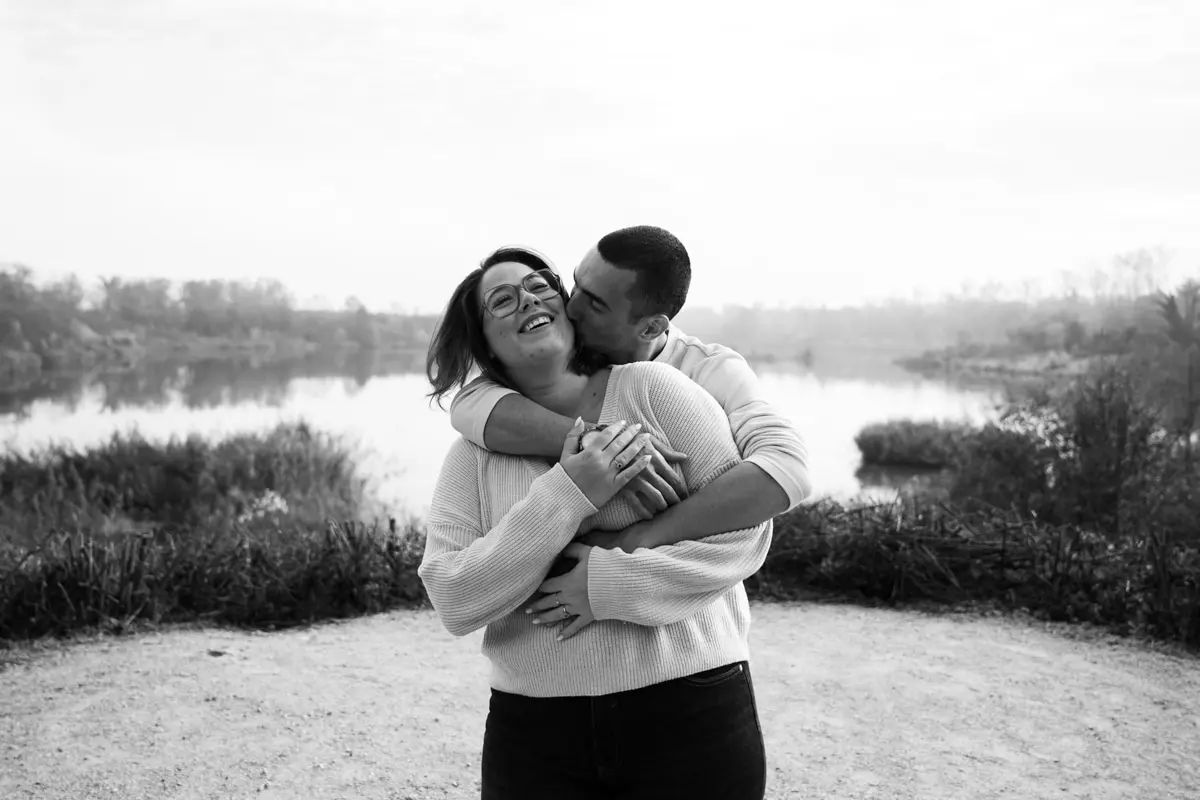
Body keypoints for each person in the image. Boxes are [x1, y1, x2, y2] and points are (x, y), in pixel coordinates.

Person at [419, 246, 772, 799]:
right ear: (484, 341)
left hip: (692, 705)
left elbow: (746, 534)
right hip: (534, 732)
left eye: (540, 287)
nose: (528, 300)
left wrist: (607, 584)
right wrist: (571, 491)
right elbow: (453, 596)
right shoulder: (474, 454)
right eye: (502, 300)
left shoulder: (658, 390)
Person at [450, 226, 811, 557]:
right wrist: (607, 446)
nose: (570, 307)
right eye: (575, 286)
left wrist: (636, 541)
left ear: (651, 327)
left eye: (594, 304)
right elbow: (468, 405)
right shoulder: (560, 358)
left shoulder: (708, 370)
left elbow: (787, 469)